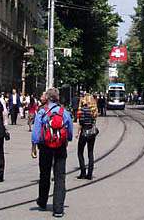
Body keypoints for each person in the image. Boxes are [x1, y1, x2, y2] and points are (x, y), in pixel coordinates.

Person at [32, 87, 74, 218]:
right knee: (60, 177)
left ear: (47, 98)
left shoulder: (42, 112)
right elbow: (70, 131)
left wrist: (34, 146)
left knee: (44, 174)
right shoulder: (64, 112)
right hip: (60, 147)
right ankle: (58, 208)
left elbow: (36, 132)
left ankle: (43, 201)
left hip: (45, 146)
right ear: (57, 98)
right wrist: (68, 139)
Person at [76, 93, 98, 180]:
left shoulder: (82, 110)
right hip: (92, 133)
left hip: (84, 132)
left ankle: (83, 172)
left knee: (80, 152)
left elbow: (80, 123)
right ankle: (90, 174)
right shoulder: (94, 110)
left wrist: (78, 133)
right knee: (90, 152)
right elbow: (94, 122)